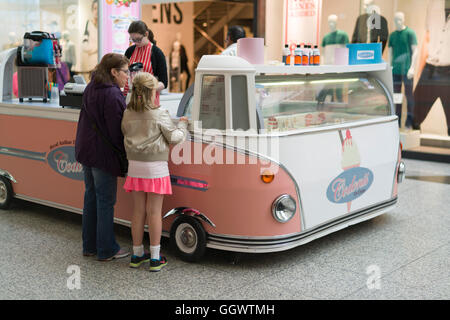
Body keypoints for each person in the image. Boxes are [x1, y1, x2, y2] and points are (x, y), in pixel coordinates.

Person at [121, 72, 188, 272]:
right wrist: (183, 124)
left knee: (138, 211)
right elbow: (175, 137)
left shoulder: (127, 112)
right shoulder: (159, 113)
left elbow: (125, 132)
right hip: (155, 167)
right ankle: (155, 258)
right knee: (154, 212)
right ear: (151, 92)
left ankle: (136, 254)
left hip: (134, 165)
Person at [75, 53, 130, 261]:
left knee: (90, 197)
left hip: (86, 151)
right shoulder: (113, 95)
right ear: (114, 72)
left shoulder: (91, 87)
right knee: (105, 201)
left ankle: (89, 246)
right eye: (125, 72)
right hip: (103, 155)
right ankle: (106, 249)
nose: (128, 76)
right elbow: (117, 132)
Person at [413, 0, 449, 135]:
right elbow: (427, 39)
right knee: (414, 115)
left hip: (448, 69)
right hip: (430, 68)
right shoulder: (434, 4)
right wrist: (420, 70)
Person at [124, 20, 168, 106]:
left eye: (138, 39)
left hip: (149, 99)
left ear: (146, 34)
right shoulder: (130, 51)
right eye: (133, 40)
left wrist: (147, 89)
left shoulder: (157, 53)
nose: (136, 42)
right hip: (129, 97)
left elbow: (164, 82)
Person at [388, 12, 418, 128]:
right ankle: (397, 121)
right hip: (395, 71)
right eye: (396, 20)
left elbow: (415, 51)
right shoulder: (392, 35)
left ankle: (409, 122)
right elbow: (390, 52)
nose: (398, 22)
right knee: (396, 97)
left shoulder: (410, 33)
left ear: (404, 19)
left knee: (409, 96)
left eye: (400, 19)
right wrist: (389, 66)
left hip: (407, 70)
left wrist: (412, 68)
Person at [81, 0, 98, 73]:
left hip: (104, 63)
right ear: (92, 10)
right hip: (92, 64)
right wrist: (97, 47)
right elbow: (84, 45)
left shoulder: (105, 25)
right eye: (95, 8)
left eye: (98, 8)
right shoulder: (88, 24)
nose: (97, 11)